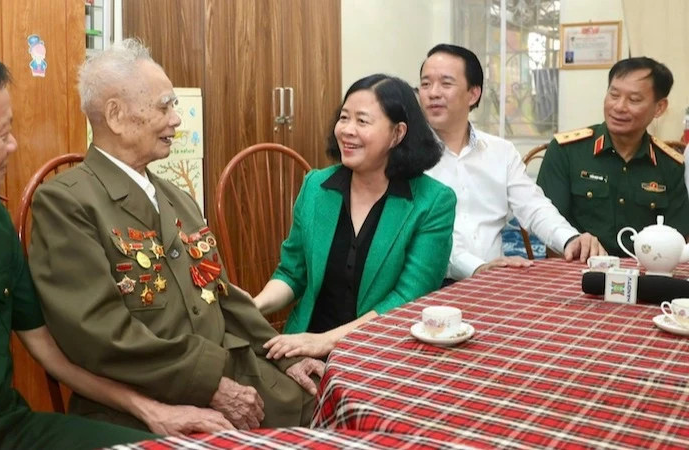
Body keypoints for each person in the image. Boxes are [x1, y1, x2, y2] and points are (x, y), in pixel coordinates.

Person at [0, 45, 179, 449]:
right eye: (3, 134)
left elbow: (48, 352)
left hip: (11, 431)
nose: (14, 146)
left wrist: (147, 408)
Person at [27, 39, 322, 432]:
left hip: (232, 375)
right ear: (115, 116)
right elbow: (98, 333)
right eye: (165, 106)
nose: (177, 120)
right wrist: (210, 383)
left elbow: (221, 294)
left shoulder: (176, 197)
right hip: (146, 398)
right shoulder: (67, 203)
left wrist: (282, 354)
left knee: (331, 402)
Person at [252, 74, 456, 360]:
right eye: (344, 118)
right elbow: (291, 272)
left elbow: (406, 301)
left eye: (362, 121)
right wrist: (255, 304)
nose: (347, 130)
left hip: (381, 351)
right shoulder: (316, 187)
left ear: (397, 133)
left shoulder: (433, 202)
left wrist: (326, 342)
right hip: (303, 345)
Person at [418, 44, 605, 282]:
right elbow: (430, 239)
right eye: (425, 84)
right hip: (430, 284)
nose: (433, 93)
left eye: (446, 83)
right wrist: (479, 268)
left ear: (473, 94)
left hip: (496, 280)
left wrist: (570, 239)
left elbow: (533, 206)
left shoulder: (500, 151)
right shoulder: (407, 156)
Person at [536, 57, 689, 256]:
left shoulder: (670, 165)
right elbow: (549, 229)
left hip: (644, 275)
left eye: (634, 100)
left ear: (659, 107)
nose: (619, 107)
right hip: (577, 272)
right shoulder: (566, 151)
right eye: (614, 95)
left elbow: (677, 240)